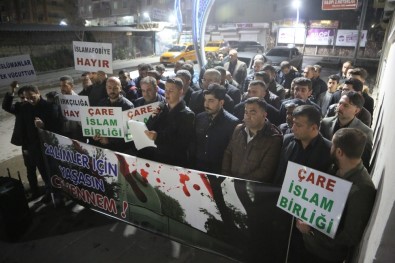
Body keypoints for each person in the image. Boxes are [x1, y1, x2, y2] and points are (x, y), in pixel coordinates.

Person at [296, 128, 376, 263]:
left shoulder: (362, 188)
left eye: (332, 145)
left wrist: (311, 229)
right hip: (307, 244)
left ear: (339, 152)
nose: (330, 147)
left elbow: (349, 237)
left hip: (323, 255)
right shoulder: (336, 167)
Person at [222, 97, 283, 183]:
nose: (247, 116)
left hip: (253, 190)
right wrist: (226, 177)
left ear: (264, 114)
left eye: (252, 113)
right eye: (246, 112)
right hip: (229, 184)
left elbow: (265, 170)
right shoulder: (239, 129)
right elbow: (228, 153)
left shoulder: (274, 138)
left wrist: (240, 183)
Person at [20, 85, 62, 203]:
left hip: (50, 146)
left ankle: (58, 194)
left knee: (53, 170)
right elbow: (22, 129)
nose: (30, 100)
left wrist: (44, 126)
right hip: (34, 147)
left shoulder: (50, 106)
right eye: (27, 98)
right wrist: (25, 147)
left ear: (38, 92)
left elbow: (58, 127)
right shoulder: (25, 108)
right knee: (43, 170)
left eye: (32, 97)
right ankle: (49, 191)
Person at [143, 77, 195, 167]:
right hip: (157, 157)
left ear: (180, 92)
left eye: (171, 91)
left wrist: (157, 137)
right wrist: (153, 117)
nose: (166, 93)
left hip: (175, 162)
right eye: (166, 89)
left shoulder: (187, 114)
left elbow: (182, 142)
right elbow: (149, 125)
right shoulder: (161, 106)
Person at [275, 105, 332, 185]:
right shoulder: (287, 140)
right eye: (293, 123)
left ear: (313, 128)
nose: (293, 128)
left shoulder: (329, 150)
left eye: (298, 125)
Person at [2, 82, 40, 199]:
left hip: (39, 143)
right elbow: (6, 106)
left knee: (44, 168)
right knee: (30, 169)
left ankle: (50, 191)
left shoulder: (36, 105)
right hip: (26, 145)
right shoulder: (19, 107)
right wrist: (12, 90)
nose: (25, 100)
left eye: (27, 97)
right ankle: (35, 191)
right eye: (22, 98)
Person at [320, 92, 373, 171]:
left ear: (356, 110)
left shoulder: (364, 132)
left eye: (346, 105)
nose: (340, 107)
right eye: (340, 103)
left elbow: (364, 163)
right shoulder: (325, 123)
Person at [193, 83, 239, 174]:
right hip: (197, 168)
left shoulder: (232, 123)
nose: (206, 104)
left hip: (218, 171)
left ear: (221, 102)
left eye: (211, 101)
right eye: (205, 100)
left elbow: (231, 152)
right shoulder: (199, 117)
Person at [92, 77, 135, 155]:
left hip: (121, 151)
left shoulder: (128, 106)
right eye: (109, 88)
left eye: (115, 88)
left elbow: (130, 135)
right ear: (106, 88)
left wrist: (109, 140)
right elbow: (98, 125)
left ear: (120, 88)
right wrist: (95, 134)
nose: (112, 91)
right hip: (104, 149)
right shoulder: (101, 104)